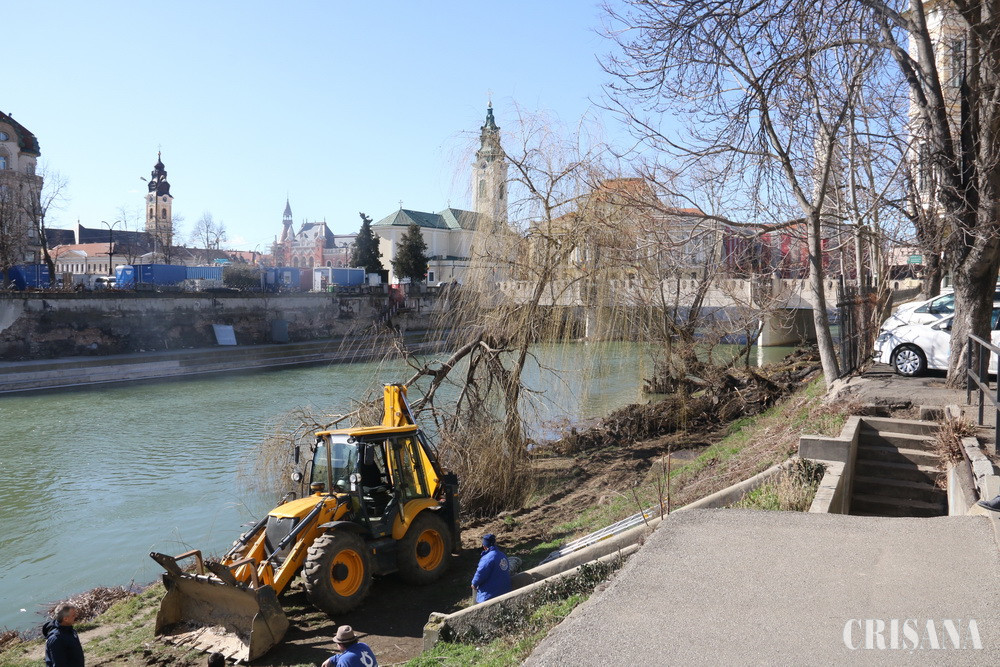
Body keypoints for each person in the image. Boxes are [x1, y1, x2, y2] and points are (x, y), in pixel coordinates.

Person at [471, 533, 511, 603]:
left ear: (484, 546)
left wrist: (474, 583)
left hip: (490, 596)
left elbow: (480, 573)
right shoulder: (502, 555)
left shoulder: (487, 558)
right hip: (505, 591)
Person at [43, 603, 84, 667]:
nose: (76, 616)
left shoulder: (70, 630)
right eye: (73, 615)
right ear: (65, 619)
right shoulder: (56, 639)